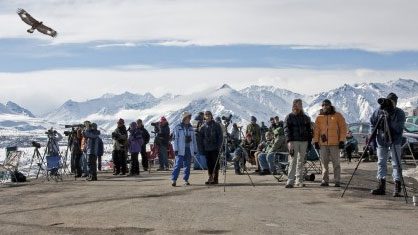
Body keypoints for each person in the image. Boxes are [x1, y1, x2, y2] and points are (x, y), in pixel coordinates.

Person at [370, 93, 405, 197]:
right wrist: (372, 140)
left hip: (395, 140)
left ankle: (397, 187)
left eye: (392, 102)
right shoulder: (378, 111)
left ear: (395, 103)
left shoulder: (400, 113)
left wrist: (389, 118)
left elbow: (399, 129)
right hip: (381, 140)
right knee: (381, 162)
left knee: (396, 163)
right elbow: (372, 124)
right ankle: (381, 186)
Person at [313, 99, 347, 187]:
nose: (325, 106)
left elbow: (343, 128)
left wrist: (342, 140)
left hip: (335, 144)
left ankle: (337, 181)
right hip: (323, 144)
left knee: (336, 163)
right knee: (324, 163)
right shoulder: (319, 117)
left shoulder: (337, 116)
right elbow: (316, 131)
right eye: (323, 105)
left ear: (330, 105)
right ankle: (325, 180)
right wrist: (316, 141)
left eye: (327, 105)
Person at [284, 99, 313, 188]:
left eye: (301, 104)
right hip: (294, 141)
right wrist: (289, 142)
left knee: (301, 161)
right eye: (298, 104)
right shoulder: (289, 117)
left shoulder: (305, 117)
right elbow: (286, 130)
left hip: (304, 141)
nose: (300, 105)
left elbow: (309, 131)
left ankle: (299, 181)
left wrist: (309, 141)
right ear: (294, 105)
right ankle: (290, 181)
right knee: (293, 161)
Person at [171, 112, 198, 186]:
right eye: (188, 118)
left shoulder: (191, 128)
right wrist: (175, 149)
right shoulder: (177, 127)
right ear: (184, 118)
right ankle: (174, 179)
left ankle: (186, 180)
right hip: (180, 149)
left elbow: (194, 140)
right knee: (178, 164)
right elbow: (175, 139)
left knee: (188, 165)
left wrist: (195, 150)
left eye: (190, 118)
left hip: (189, 149)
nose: (189, 119)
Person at [199, 111, 223, 184]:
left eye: (209, 115)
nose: (207, 116)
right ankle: (210, 177)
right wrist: (202, 149)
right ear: (204, 117)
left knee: (215, 163)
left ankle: (215, 179)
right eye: (206, 115)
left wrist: (219, 146)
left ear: (211, 116)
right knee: (209, 164)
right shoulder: (203, 127)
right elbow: (200, 138)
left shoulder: (216, 125)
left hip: (215, 148)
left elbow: (220, 137)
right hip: (207, 148)